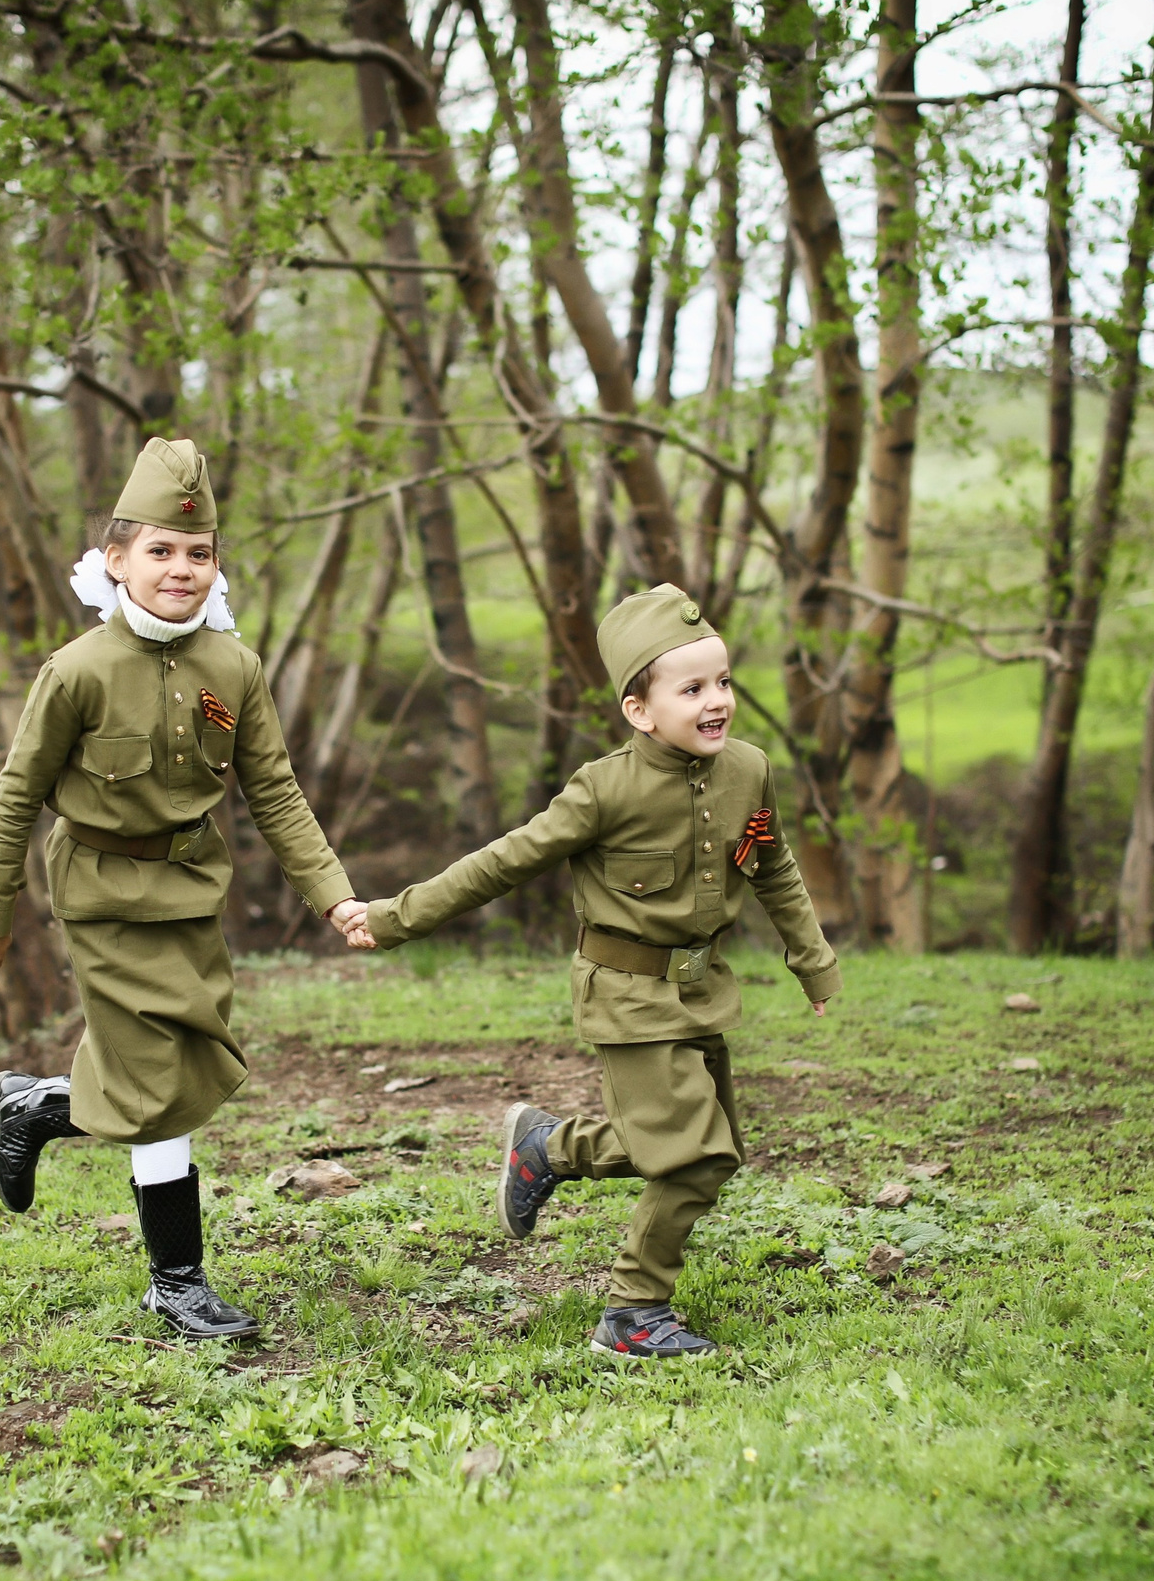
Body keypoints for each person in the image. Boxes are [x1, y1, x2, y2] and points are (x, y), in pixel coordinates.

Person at [346, 583, 839, 1360]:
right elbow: (502, 862)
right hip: (626, 992)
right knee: (695, 1153)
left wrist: (812, 960)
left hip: (700, 990)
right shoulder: (603, 789)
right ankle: (633, 1313)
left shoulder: (749, 769)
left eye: (723, 682)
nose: (717, 702)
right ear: (640, 710)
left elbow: (771, 865)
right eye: (692, 689)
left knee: (713, 1145)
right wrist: (392, 916)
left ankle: (547, 1147)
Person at [0, 437, 370, 1342]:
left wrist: (332, 892)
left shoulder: (235, 668)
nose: (180, 569)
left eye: (198, 553)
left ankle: (38, 1104)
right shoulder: (75, 671)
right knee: (156, 1079)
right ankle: (176, 1281)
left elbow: (274, 791)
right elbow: (17, 794)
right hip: (102, 894)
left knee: (187, 1064)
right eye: (159, 551)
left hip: (190, 889)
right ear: (115, 561)